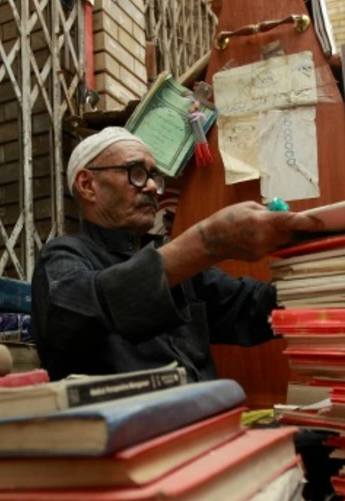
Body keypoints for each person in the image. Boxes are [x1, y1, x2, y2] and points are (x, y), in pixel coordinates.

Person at [31, 127, 323, 382]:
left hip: (210, 427)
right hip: (130, 439)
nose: (151, 188)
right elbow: (86, 308)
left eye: (154, 177)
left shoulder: (173, 262)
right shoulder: (63, 256)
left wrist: (340, 271)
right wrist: (207, 242)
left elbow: (253, 307)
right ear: (87, 185)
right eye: (136, 173)